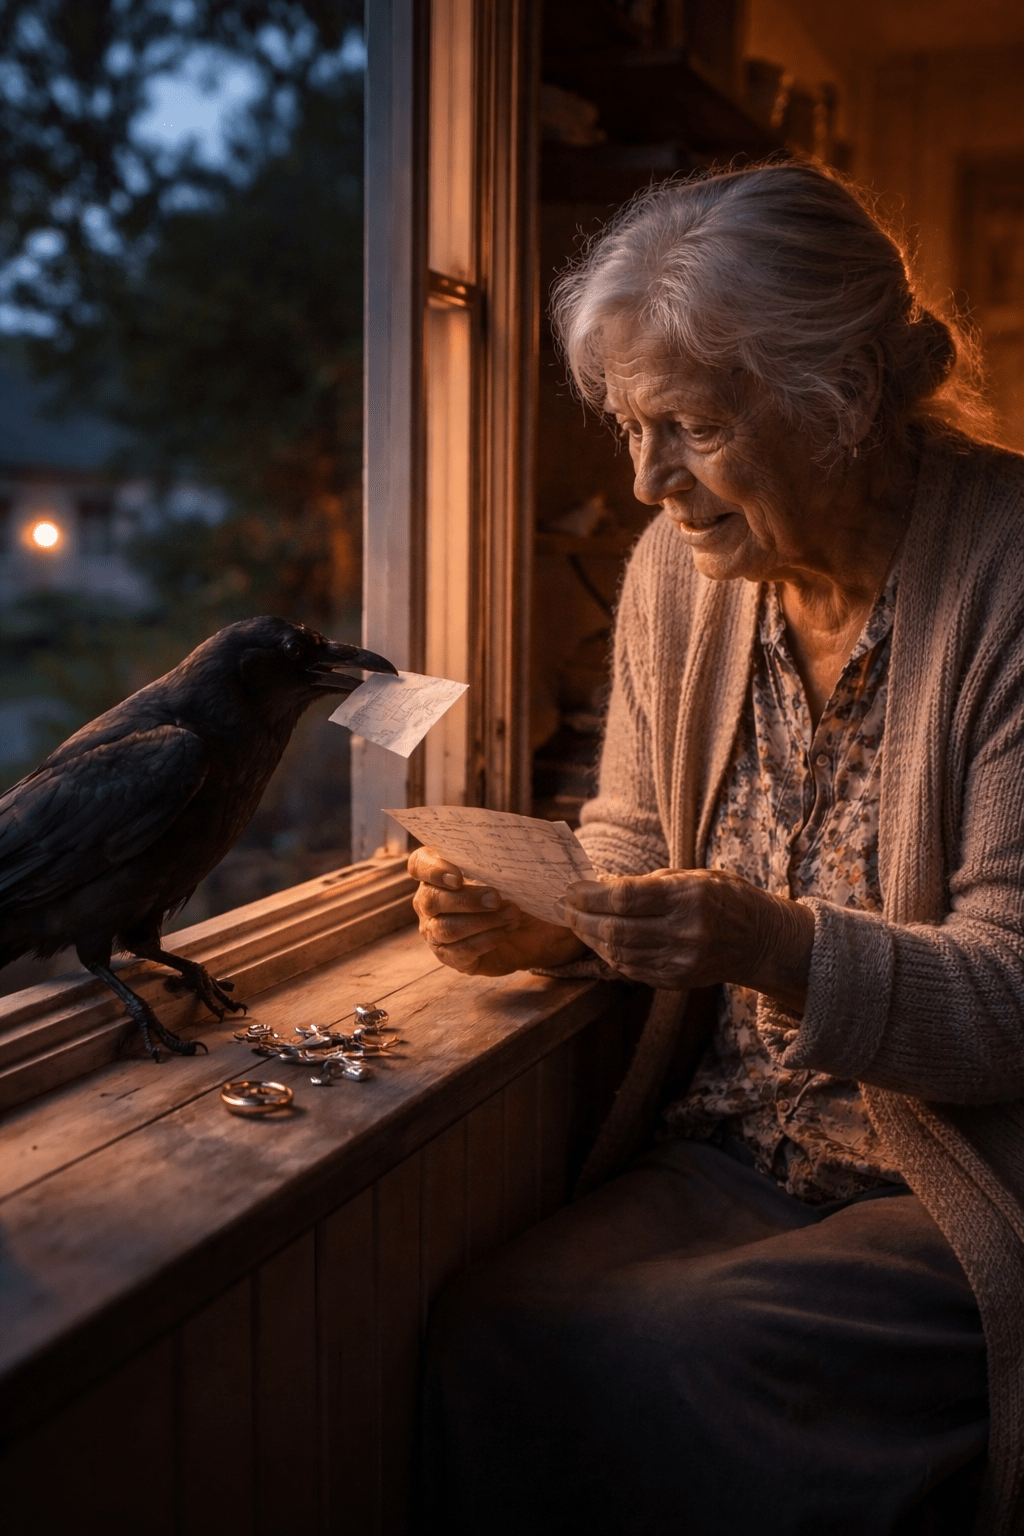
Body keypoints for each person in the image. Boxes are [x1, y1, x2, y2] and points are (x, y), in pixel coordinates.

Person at [410, 163, 1024, 1535]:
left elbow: (1010, 1002)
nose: (647, 482)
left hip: (967, 1169)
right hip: (738, 1148)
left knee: (678, 1350)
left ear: (841, 400)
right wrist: (549, 915)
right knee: (487, 1325)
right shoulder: (679, 577)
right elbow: (635, 833)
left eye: (687, 426)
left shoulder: (1012, 577)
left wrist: (769, 944)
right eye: (632, 428)